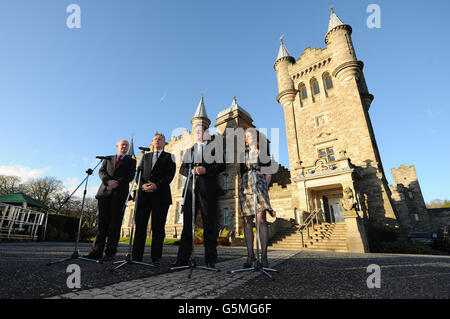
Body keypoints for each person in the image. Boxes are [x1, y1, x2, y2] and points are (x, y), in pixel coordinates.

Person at [173, 124, 225, 269]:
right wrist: (191, 171)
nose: (197, 134)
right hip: (190, 191)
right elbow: (183, 169)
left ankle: (210, 261)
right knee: (187, 226)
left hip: (208, 191)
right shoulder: (190, 150)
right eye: (195, 132)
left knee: (209, 225)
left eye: (200, 131)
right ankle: (182, 260)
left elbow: (222, 166)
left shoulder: (215, 148)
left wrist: (205, 169)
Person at [85, 139, 136, 261]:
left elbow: (130, 175)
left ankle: (110, 253)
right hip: (105, 192)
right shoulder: (108, 158)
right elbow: (101, 172)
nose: (124, 146)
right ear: (117, 146)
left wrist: (117, 182)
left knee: (115, 225)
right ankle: (96, 252)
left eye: (126, 145)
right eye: (122, 145)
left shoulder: (131, 161)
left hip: (120, 194)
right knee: (102, 224)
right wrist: (108, 181)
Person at [131, 133, 176, 267]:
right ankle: (136, 256)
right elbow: (138, 174)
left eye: (160, 139)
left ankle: (156, 258)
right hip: (144, 194)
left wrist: (157, 185)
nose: (157, 141)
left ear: (164, 143)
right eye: (155, 139)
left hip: (160, 195)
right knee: (140, 227)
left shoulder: (169, 157)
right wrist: (142, 184)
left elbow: (170, 175)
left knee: (158, 228)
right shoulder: (145, 156)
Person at [238, 128, 275, 268]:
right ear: (246, 140)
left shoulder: (264, 153)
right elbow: (242, 173)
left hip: (260, 184)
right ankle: (250, 256)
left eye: (253, 135)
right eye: (248, 136)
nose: (250, 137)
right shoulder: (242, 155)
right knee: (247, 220)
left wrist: (264, 187)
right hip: (246, 185)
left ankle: (264, 256)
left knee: (261, 219)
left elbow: (268, 174)